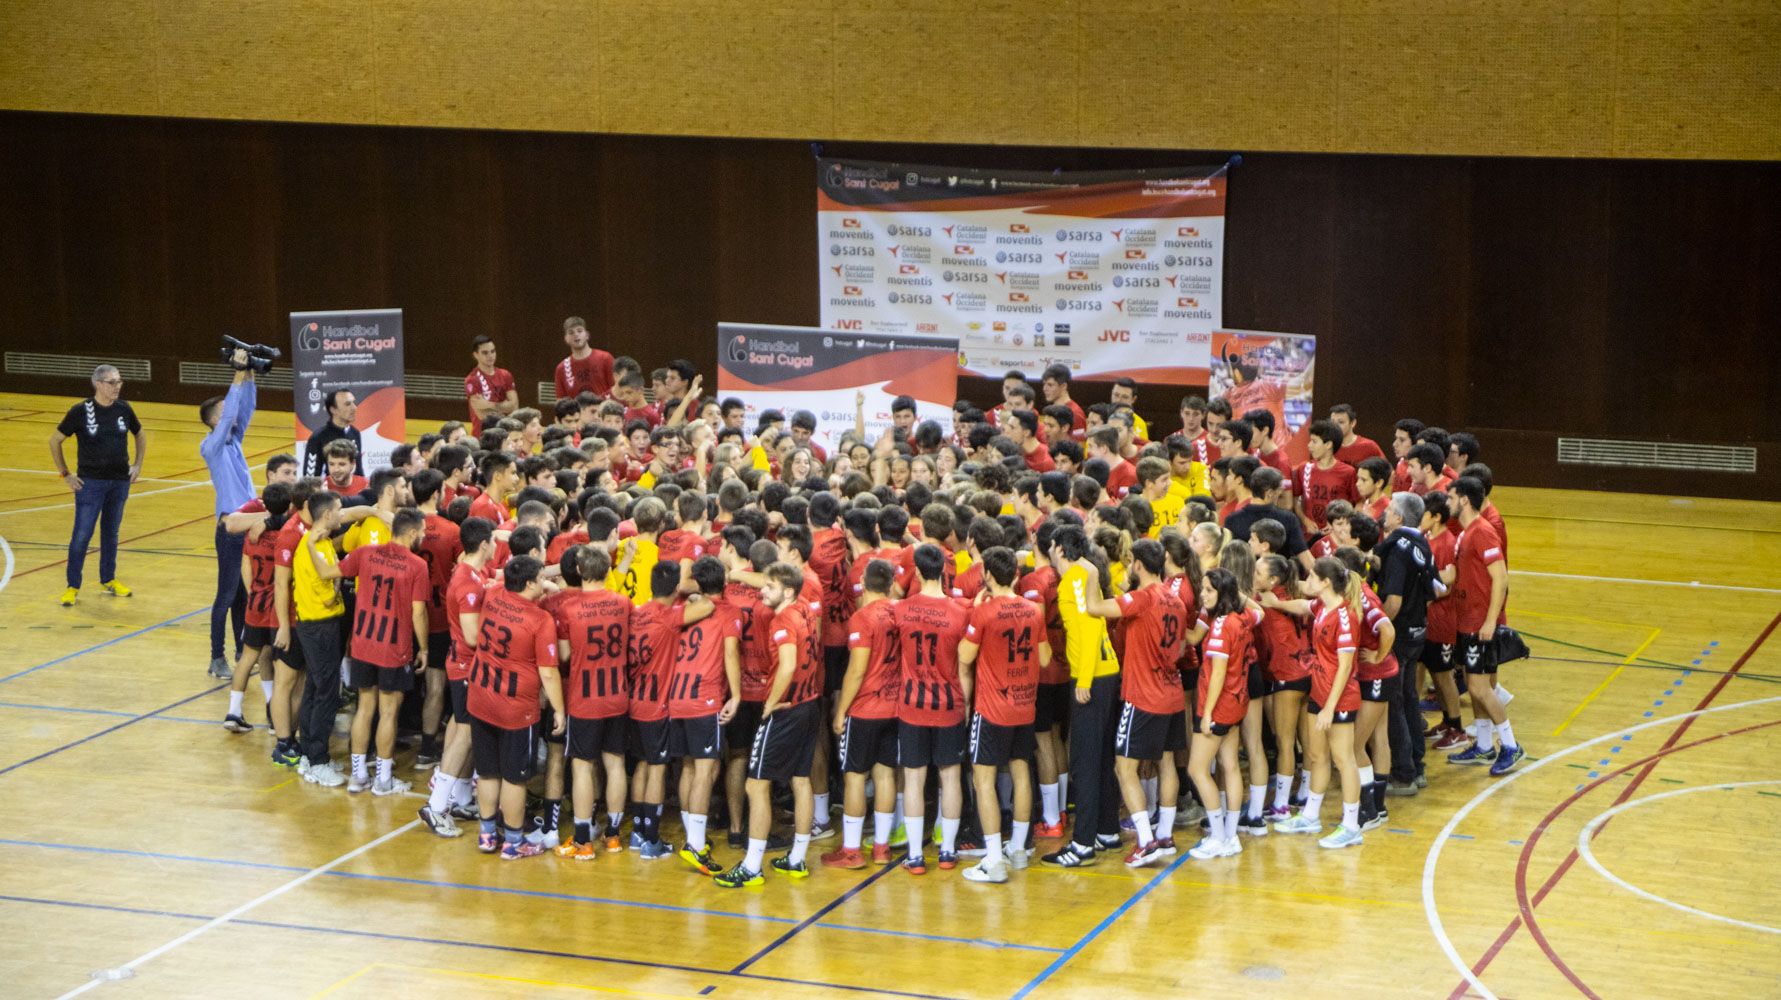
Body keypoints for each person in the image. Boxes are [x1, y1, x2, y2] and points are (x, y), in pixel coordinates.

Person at [308, 507, 430, 795]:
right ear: (411, 533)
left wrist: (312, 545)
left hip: (362, 644)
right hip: (393, 648)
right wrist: (423, 647)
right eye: (422, 531)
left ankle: (358, 775)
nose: (423, 535)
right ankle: (383, 779)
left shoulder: (366, 553)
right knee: (389, 713)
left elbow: (326, 571)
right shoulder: (416, 566)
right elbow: (419, 612)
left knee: (364, 708)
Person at [1079, 539, 1186, 867]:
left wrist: (1093, 573)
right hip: (1171, 692)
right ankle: (1165, 835)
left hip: (1144, 696)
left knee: (1123, 767)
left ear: (1138, 564)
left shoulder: (1142, 598)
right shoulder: (1176, 600)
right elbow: (1180, 647)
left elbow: (1095, 609)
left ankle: (1145, 840)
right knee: (1166, 763)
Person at [718, 561, 824, 888]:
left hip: (786, 709)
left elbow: (788, 664)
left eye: (769, 587)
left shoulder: (783, 619)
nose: (761, 591)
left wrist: (769, 703)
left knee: (756, 784)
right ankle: (797, 859)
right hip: (809, 704)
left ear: (788, 590)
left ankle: (751, 867)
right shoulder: (805, 608)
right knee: (801, 780)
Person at [958, 546, 1051, 882]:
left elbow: (964, 656)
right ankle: (1019, 850)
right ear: (1015, 574)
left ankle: (994, 859)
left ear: (986, 577)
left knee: (983, 781)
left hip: (992, 708)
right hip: (1025, 706)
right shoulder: (1034, 610)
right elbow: (1044, 659)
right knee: (1021, 771)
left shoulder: (983, 614)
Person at [466, 556, 566, 859]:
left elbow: (510, 583)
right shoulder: (540, 620)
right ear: (528, 583)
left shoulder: (494, 595)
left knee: (487, 772)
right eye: (539, 576)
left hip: (481, 696)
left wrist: (544, 585)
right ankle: (512, 841)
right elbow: (548, 672)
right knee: (515, 777)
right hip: (516, 708)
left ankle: (486, 834)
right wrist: (559, 710)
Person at [1044, 525, 1122, 868]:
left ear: (1059, 549)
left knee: (1085, 763)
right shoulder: (1085, 572)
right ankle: (1107, 829)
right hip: (1107, 673)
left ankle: (1083, 844)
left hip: (1093, 676)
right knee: (1102, 757)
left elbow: (1089, 626)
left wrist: (1084, 679)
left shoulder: (1074, 578)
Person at [892, 543, 972, 875]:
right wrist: (966, 706)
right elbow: (966, 666)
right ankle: (948, 851)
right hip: (949, 703)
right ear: (943, 571)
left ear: (916, 571)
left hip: (911, 704)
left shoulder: (901, 610)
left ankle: (914, 854)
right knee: (950, 777)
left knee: (913, 779)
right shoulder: (959, 611)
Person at [1274, 558, 1365, 849]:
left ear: (1325, 582)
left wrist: (1329, 707)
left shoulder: (1345, 617)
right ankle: (1311, 815)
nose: (1307, 581)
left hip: (1339, 698)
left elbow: (1345, 666)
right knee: (1316, 755)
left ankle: (1351, 826)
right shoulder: (1321, 607)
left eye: (1311, 577)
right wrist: (1273, 603)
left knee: (1343, 758)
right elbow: (1302, 606)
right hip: (1319, 693)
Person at [551, 545, 635, 858]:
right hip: (617, 694)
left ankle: (583, 840)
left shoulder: (569, 608)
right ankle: (613, 835)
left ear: (581, 572)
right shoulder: (623, 603)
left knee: (583, 766)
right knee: (615, 764)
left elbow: (562, 655)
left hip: (585, 698)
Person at [419, 516, 498, 838]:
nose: (496, 545)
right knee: (465, 735)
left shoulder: (471, 573)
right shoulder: (467, 583)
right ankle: (437, 806)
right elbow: (470, 635)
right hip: (466, 667)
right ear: (484, 545)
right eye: (493, 540)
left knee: (469, 732)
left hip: (465, 667)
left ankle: (463, 797)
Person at [824, 557, 904, 870]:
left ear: (864, 584)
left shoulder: (861, 618)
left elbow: (856, 670)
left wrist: (841, 710)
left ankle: (852, 850)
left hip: (866, 707)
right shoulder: (900, 611)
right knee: (886, 775)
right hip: (895, 706)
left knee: (855, 777)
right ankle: (882, 847)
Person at [1443, 477, 1524, 775]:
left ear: (1464, 499)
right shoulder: (1466, 533)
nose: (1447, 502)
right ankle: (1484, 745)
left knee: (1479, 687)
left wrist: (1491, 621)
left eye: (1451, 497)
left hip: (1480, 624)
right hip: (1466, 622)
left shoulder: (1483, 532)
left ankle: (1511, 746)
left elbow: (1501, 579)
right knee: (1476, 689)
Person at [668, 557, 743, 876]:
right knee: (705, 769)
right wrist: (736, 694)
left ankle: (691, 836)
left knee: (687, 766)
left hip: (676, 694)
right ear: (724, 581)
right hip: (704, 698)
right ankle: (696, 845)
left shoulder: (684, 608)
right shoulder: (728, 611)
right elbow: (730, 654)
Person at [50, 364, 145, 607]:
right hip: (90, 484)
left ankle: (108, 579)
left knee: (111, 533)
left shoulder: (124, 409)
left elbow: (140, 434)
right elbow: (55, 440)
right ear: (98, 384)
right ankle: (72, 585)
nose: (118, 387)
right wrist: (66, 474)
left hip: (119, 483)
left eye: (119, 382)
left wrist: (137, 464)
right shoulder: (81, 411)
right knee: (82, 535)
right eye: (112, 382)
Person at [1185, 567, 1257, 859]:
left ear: (1223, 593)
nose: (1203, 595)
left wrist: (1207, 713)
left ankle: (1217, 836)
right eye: (1202, 589)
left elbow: (1217, 674)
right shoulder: (1242, 618)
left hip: (1220, 705)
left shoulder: (1219, 626)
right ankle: (1230, 836)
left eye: (1210, 590)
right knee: (1229, 766)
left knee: (1196, 769)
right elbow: (1259, 611)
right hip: (1238, 702)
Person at [199, 348, 260, 678]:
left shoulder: (233, 442)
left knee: (241, 594)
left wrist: (248, 374)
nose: (230, 414)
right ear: (213, 421)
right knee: (225, 594)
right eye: (223, 412)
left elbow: (245, 408)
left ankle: (240, 651)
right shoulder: (211, 445)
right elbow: (231, 412)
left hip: (246, 525)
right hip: (230, 529)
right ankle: (216, 657)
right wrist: (235, 374)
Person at [1373, 492, 1433, 796]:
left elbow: (1393, 601)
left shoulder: (1397, 549)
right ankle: (1417, 766)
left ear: (1398, 518)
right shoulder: (1422, 543)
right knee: (1409, 697)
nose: (1384, 514)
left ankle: (1403, 774)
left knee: (1394, 703)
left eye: (1389, 511)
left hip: (1398, 633)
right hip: (1418, 631)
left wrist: (1378, 629)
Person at [301, 390, 363, 479]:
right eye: (348, 404)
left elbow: (358, 471)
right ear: (333, 410)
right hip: (330, 492)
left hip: (355, 492)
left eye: (353, 403)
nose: (354, 408)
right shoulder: (318, 437)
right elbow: (310, 477)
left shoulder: (355, 433)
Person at [465, 335, 519, 436]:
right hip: (482, 436)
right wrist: (504, 407)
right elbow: (482, 415)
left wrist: (489, 404)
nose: (490, 356)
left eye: (493, 351)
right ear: (476, 355)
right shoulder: (472, 380)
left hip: (505, 435)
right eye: (485, 353)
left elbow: (514, 406)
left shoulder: (505, 375)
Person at [555, 316, 615, 400]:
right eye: (571, 332)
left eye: (579, 331)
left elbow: (617, 389)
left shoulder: (605, 358)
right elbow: (561, 401)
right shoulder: (562, 368)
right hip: (577, 412)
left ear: (587, 335)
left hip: (604, 411)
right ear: (566, 339)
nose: (576, 334)